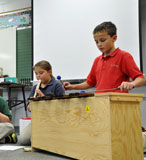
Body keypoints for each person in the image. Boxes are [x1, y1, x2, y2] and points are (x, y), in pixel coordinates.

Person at [63, 21, 146, 151]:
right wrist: (72, 87)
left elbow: (140, 78)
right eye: (96, 42)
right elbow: (90, 83)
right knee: (102, 138)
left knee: (119, 138)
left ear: (114, 38)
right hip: (100, 104)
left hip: (118, 105)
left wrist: (131, 84)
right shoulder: (97, 60)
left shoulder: (124, 56)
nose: (99, 45)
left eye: (102, 40)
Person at [18, 60, 65, 145]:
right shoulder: (35, 87)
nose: (38, 76)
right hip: (38, 119)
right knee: (23, 140)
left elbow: (60, 107)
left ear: (49, 72)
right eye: (36, 74)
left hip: (53, 120)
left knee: (38, 141)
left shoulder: (57, 85)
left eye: (41, 73)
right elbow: (29, 108)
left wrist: (43, 97)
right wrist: (32, 104)